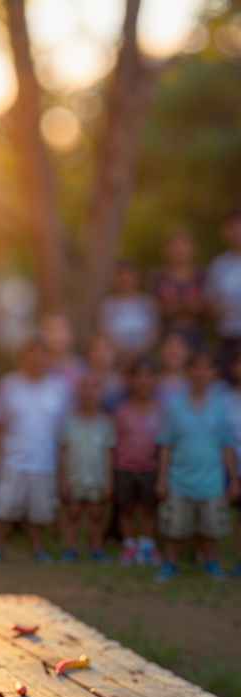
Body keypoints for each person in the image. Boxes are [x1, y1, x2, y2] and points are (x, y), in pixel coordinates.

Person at [156, 350, 238, 581]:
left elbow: (227, 446)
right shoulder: (174, 405)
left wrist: (233, 479)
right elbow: (166, 446)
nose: (201, 373)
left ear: (213, 373)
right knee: (174, 528)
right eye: (196, 368)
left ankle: (212, 564)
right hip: (179, 480)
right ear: (188, 372)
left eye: (206, 368)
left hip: (212, 481)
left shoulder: (221, 406)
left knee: (211, 529)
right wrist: (162, 479)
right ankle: (170, 565)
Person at [0, 339, 70, 561]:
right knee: (5, 509)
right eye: (31, 355)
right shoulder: (8, 385)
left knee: (39, 512)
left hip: (45, 462)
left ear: (48, 359)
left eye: (42, 355)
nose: (36, 360)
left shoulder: (59, 388)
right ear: (22, 358)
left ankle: (38, 549)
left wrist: (63, 469)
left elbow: (62, 432)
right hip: (12, 461)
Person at [58, 374, 115, 561]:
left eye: (94, 388)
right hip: (74, 476)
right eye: (85, 388)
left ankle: (96, 549)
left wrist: (109, 482)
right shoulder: (69, 422)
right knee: (72, 513)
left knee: (96, 515)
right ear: (79, 393)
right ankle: (70, 548)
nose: (89, 393)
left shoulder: (106, 423)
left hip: (97, 477)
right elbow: (63, 452)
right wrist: (63, 479)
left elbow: (109, 454)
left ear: (100, 393)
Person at [114, 360, 162, 566]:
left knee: (148, 509)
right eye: (138, 376)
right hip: (124, 467)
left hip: (150, 468)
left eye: (148, 376)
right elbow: (115, 442)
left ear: (154, 380)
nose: (143, 381)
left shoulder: (160, 410)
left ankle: (147, 545)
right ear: (131, 381)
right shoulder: (122, 410)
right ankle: (129, 545)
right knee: (127, 509)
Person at [155, 229, 206, 346]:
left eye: (184, 245)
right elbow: (156, 309)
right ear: (165, 250)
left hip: (197, 334)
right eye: (174, 245)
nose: (179, 250)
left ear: (193, 249)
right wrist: (188, 306)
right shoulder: (158, 277)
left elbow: (206, 307)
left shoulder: (202, 276)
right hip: (167, 335)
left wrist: (175, 306)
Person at [100, 262, 159, 361]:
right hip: (116, 357)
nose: (126, 280)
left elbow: (154, 331)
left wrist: (138, 352)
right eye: (122, 277)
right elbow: (104, 332)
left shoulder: (148, 303)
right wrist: (121, 352)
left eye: (130, 276)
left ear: (137, 278)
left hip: (144, 357)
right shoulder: (108, 305)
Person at [207, 209, 241, 369]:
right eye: (233, 228)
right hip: (228, 336)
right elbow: (210, 304)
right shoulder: (218, 265)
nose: (237, 233)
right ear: (225, 232)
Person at [156, 332, 190, 407]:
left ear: (187, 352)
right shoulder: (152, 383)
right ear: (161, 351)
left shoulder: (194, 383)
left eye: (178, 347)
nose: (174, 351)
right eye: (170, 346)